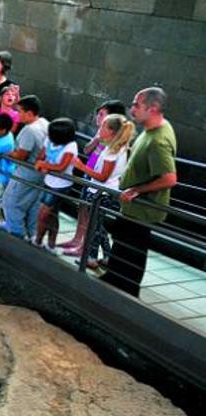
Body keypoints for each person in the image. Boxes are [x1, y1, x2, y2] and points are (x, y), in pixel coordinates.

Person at [100, 87, 177, 297]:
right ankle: (114, 278)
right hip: (132, 207)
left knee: (132, 250)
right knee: (123, 243)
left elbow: (169, 178)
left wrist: (137, 190)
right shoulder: (151, 130)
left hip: (142, 209)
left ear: (152, 109)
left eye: (136, 105)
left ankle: (126, 289)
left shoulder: (158, 140)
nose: (132, 109)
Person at [60, 99, 127, 256]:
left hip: (98, 182)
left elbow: (105, 174)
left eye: (102, 115)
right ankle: (79, 241)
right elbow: (88, 150)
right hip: (90, 177)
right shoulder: (102, 135)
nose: (98, 118)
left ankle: (88, 250)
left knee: (94, 220)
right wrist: (97, 138)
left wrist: (82, 167)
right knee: (83, 208)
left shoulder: (114, 144)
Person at [70, 113, 135, 268]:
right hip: (106, 192)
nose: (99, 128)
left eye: (103, 126)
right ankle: (107, 256)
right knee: (98, 226)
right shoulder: (116, 148)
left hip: (102, 193)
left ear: (112, 131)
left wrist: (81, 167)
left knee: (95, 227)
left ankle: (92, 257)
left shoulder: (113, 151)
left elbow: (102, 176)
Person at [3, 95, 49, 239]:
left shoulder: (29, 130)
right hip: (39, 176)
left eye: (20, 111)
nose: (17, 114)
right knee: (32, 207)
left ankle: (17, 235)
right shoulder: (45, 123)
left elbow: (21, 156)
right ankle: (32, 235)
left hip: (25, 174)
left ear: (29, 113)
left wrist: (8, 153)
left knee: (11, 203)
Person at [34, 118, 78, 251]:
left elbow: (61, 166)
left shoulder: (71, 146)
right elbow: (41, 156)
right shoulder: (50, 140)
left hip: (61, 185)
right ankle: (51, 244)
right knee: (53, 214)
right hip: (49, 181)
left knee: (44, 213)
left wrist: (44, 165)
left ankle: (38, 241)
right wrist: (43, 164)